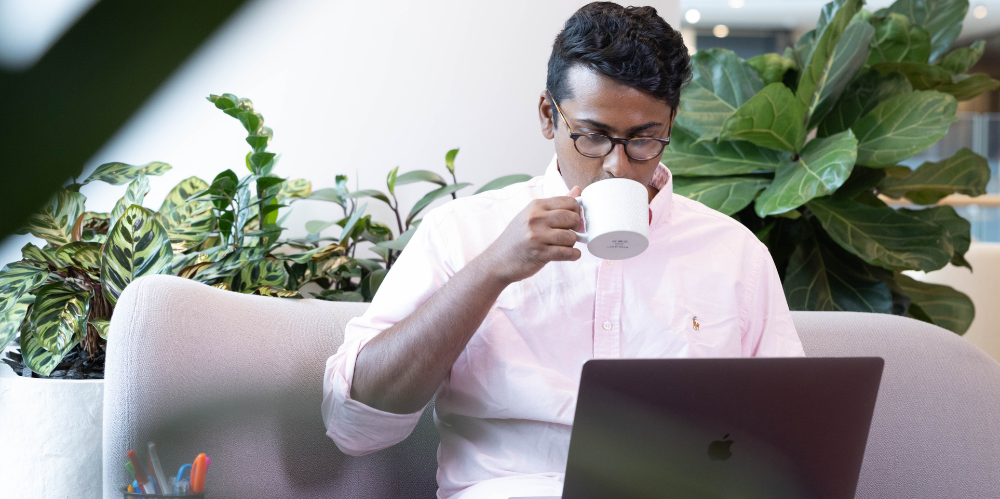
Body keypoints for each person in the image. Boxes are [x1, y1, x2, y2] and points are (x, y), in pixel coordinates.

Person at [322, 3, 804, 498]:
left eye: (643, 140)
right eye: (593, 136)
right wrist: (491, 271)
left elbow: (792, 444)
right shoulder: (463, 232)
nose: (617, 166)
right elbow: (355, 426)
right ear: (548, 116)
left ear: (670, 125)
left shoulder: (733, 255)